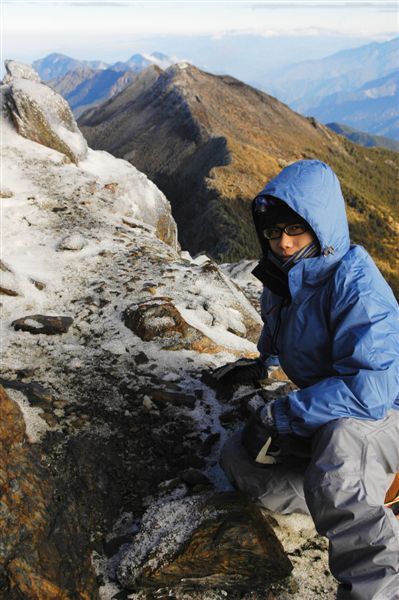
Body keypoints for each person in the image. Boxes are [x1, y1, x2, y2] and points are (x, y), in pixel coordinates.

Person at [214, 160, 399, 599]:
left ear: (321, 226)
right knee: (239, 460)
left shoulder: (357, 287)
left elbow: (369, 391)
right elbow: (280, 334)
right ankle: (373, 496)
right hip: (339, 412)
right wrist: (259, 368)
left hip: (384, 411)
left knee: (338, 457)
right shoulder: (286, 279)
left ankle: (379, 586)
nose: (283, 242)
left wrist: (285, 414)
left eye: (295, 229)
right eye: (274, 232)